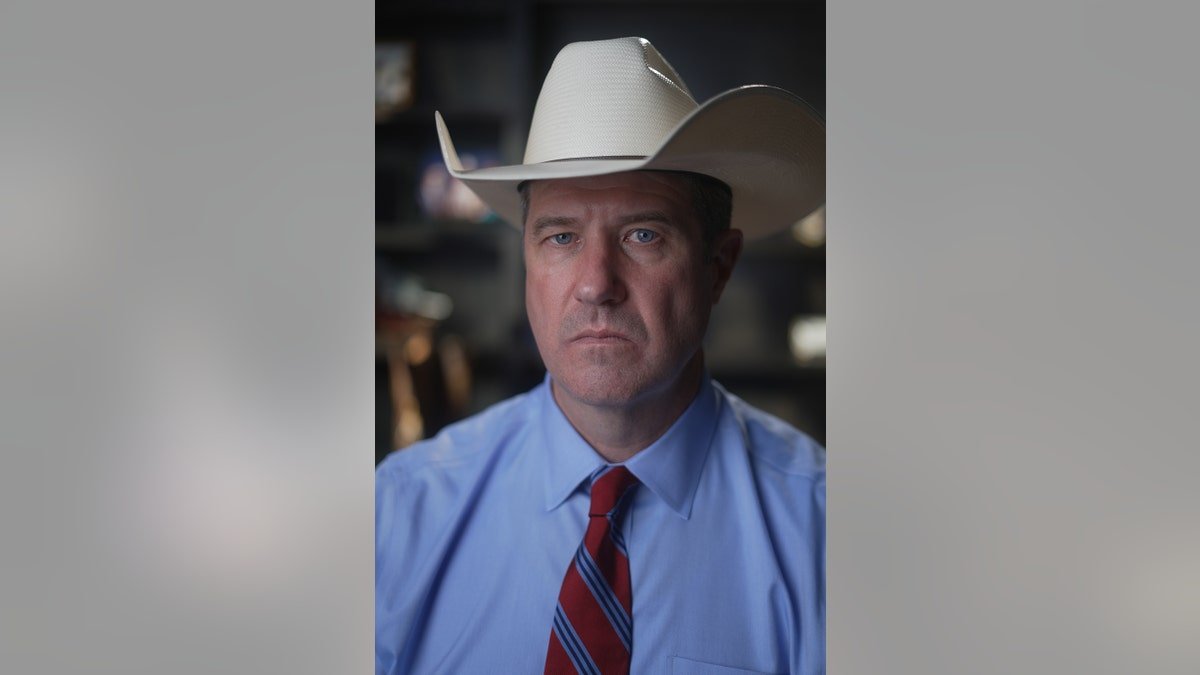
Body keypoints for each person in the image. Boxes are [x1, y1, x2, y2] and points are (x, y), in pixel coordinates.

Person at [377, 37, 825, 675]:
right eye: (560, 236)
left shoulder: (827, 536)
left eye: (643, 234)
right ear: (528, 264)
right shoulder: (398, 518)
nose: (595, 283)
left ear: (718, 266)